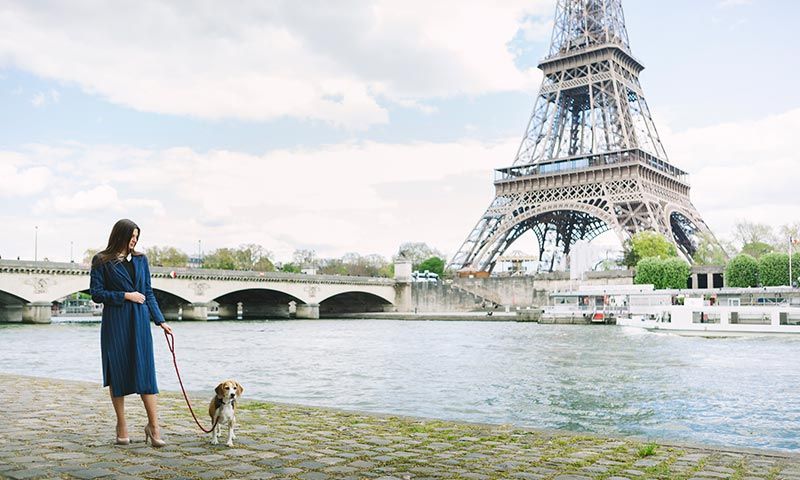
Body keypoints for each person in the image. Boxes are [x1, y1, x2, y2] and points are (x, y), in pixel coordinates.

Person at [89, 218, 173, 447]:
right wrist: (126, 295)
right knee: (118, 371)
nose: (134, 240)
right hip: (115, 322)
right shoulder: (101, 260)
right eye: (131, 236)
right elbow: (96, 293)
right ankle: (122, 425)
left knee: (145, 371)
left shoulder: (141, 260)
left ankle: (153, 426)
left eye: (137, 236)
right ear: (120, 236)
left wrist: (160, 321)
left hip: (139, 322)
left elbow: (148, 291)